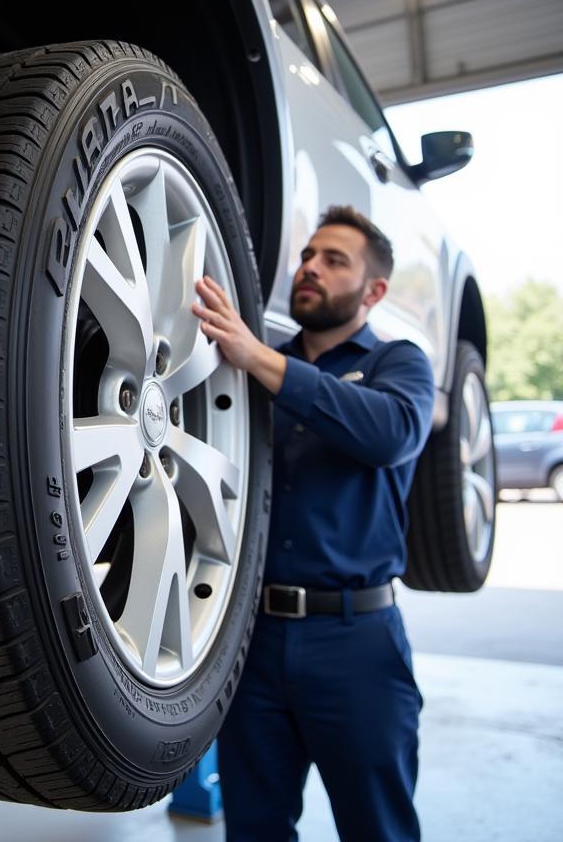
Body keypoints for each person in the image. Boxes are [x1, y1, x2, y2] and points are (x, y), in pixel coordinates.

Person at [192, 205, 434, 842]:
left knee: (377, 829)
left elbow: (389, 434)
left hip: (356, 641)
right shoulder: (251, 365)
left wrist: (259, 361)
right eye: (308, 256)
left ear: (374, 290)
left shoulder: (398, 363)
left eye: (334, 261)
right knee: (254, 828)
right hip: (254, 643)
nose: (311, 269)